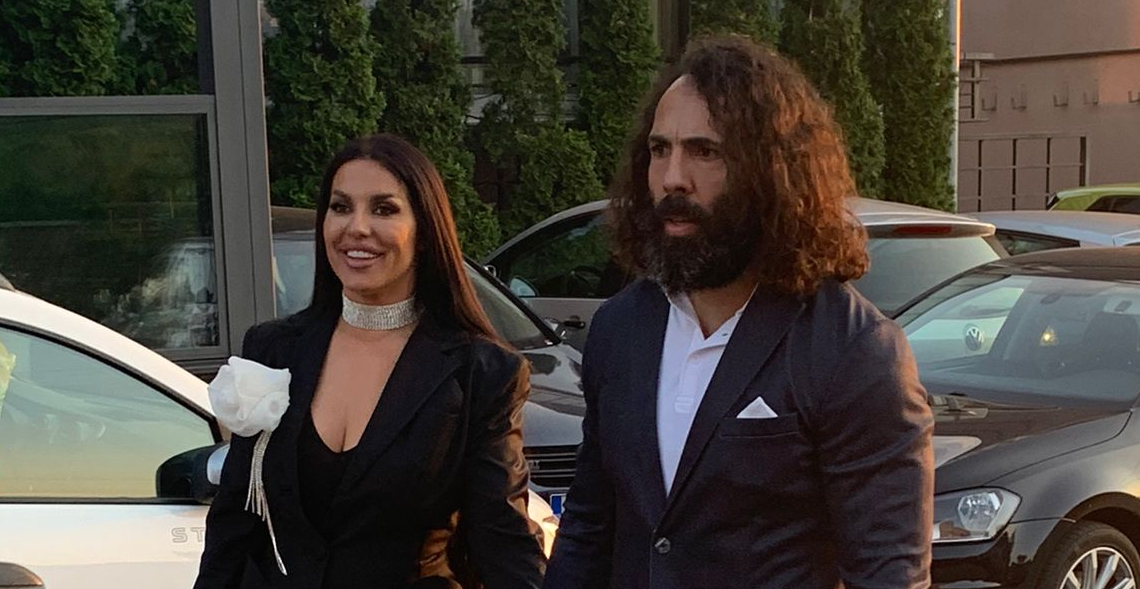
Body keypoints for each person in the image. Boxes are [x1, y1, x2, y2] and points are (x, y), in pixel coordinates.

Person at [544, 36, 935, 589]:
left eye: (705, 151)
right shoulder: (620, 328)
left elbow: (887, 572)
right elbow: (589, 529)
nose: (673, 177)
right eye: (659, 150)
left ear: (771, 170)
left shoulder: (851, 349)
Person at [195, 134, 545, 589]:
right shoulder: (273, 350)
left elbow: (502, 538)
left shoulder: (480, 372)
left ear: (425, 231)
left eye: (383, 209)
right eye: (341, 207)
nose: (357, 227)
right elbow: (233, 524)